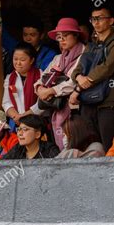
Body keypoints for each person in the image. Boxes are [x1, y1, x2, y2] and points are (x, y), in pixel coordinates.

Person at [35, 18, 86, 150]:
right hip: (57, 107)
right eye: (59, 37)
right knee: (60, 141)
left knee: (76, 142)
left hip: (77, 108)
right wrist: (40, 88)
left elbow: (73, 81)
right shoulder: (58, 58)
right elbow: (42, 77)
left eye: (65, 36)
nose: (61, 40)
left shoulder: (85, 55)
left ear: (76, 35)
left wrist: (51, 91)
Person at [70, 5, 114, 152]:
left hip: (108, 101)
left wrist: (82, 84)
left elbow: (107, 67)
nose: (96, 22)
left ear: (111, 20)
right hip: (89, 102)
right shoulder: (91, 46)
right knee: (92, 146)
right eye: (93, 19)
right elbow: (76, 71)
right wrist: (78, 77)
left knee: (109, 144)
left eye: (100, 18)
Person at [2, 42, 43, 129]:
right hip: (17, 123)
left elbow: (42, 103)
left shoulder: (41, 75)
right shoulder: (10, 77)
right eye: (15, 59)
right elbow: (6, 102)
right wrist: (16, 116)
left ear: (32, 60)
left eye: (22, 60)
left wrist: (24, 116)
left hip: (36, 121)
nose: (18, 63)